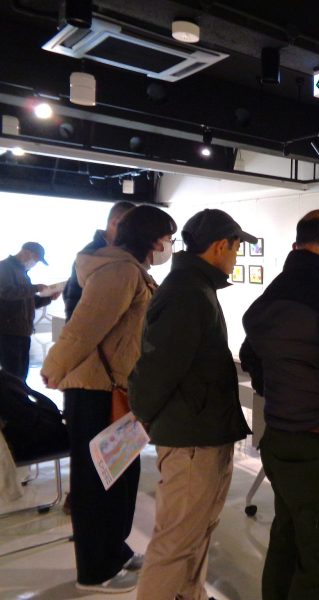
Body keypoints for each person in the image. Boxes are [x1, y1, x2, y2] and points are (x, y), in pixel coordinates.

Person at [41, 205, 177, 594]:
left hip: (118, 389)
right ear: (151, 239)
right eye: (167, 237)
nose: (168, 245)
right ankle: (94, 570)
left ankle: (114, 549)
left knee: (119, 477)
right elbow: (84, 328)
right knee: (96, 482)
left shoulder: (132, 270)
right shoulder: (118, 271)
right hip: (95, 391)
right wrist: (54, 368)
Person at [240, 209, 319, 600]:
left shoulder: (277, 289)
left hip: (278, 436)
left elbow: (250, 353)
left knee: (287, 538)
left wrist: (278, 393)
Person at [128, 209, 255, 600]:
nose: (236, 256)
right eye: (235, 248)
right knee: (177, 540)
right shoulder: (187, 292)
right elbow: (159, 367)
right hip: (191, 438)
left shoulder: (195, 287)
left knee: (196, 531)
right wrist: (144, 414)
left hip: (201, 431)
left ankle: (190, 594)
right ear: (220, 246)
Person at [64, 201, 135, 320]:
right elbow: (74, 297)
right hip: (87, 324)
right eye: (131, 227)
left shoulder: (122, 253)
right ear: (114, 223)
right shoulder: (91, 254)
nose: (134, 234)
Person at [0, 242, 57, 380]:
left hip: (22, 332)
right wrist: (35, 288)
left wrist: (49, 297)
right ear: (27, 253)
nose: (35, 264)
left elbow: (27, 302)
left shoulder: (23, 274)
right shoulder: (4, 267)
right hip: (8, 332)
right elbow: (6, 293)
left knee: (21, 376)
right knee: (12, 377)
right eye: (36, 260)